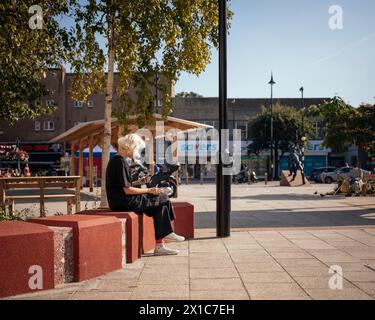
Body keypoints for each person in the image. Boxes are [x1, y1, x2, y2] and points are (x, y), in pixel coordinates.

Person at [106, 133, 185, 256]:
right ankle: (168, 232)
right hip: (123, 202)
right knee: (162, 197)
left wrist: (139, 182)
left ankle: (160, 245)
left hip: (120, 200)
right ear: (131, 147)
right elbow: (127, 190)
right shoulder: (120, 162)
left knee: (160, 206)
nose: (137, 152)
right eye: (137, 148)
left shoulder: (117, 160)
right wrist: (149, 190)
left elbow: (123, 185)